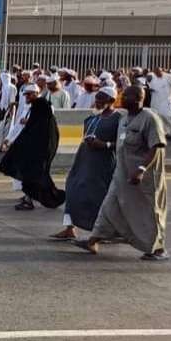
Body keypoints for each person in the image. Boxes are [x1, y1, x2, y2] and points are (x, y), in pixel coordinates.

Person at [78, 85, 169, 261]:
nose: (122, 98)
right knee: (109, 206)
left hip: (144, 178)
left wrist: (141, 169)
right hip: (122, 174)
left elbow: (156, 146)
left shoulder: (149, 118)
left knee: (150, 211)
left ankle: (159, 249)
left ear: (137, 98)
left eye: (125, 96)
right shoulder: (124, 119)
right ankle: (93, 239)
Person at [51, 87, 121, 241]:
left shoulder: (118, 119)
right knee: (72, 188)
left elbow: (124, 143)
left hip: (103, 164)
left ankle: (106, 231)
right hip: (83, 161)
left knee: (100, 197)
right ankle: (70, 228)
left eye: (101, 98)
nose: (97, 101)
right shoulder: (92, 118)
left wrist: (105, 144)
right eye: (97, 98)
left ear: (111, 100)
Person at [0, 83, 65, 211]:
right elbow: (32, 126)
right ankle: (32, 197)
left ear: (35, 94)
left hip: (40, 151)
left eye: (29, 95)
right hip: (35, 150)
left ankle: (31, 200)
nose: (26, 97)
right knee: (31, 175)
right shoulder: (34, 107)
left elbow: (39, 127)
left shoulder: (42, 106)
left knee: (33, 175)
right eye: (25, 95)